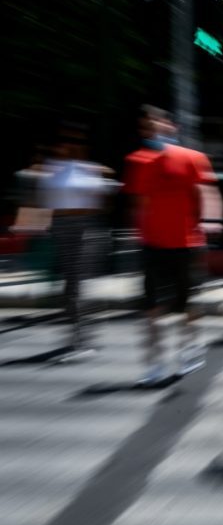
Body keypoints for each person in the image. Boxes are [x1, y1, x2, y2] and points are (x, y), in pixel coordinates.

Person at [122, 107, 222, 384]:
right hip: (153, 245)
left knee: (186, 303)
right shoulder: (140, 162)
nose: (153, 130)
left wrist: (211, 220)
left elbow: (208, 192)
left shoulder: (193, 157)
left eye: (157, 124)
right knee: (151, 307)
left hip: (187, 244)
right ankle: (154, 363)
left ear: (171, 126)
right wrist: (138, 233)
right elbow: (138, 203)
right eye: (147, 127)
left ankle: (190, 347)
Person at [38, 124, 115, 354]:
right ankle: (78, 330)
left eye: (77, 141)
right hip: (62, 226)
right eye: (67, 141)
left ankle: (80, 333)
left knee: (80, 280)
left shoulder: (92, 169)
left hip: (88, 226)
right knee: (71, 282)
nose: (72, 146)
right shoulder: (51, 169)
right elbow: (44, 202)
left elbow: (105, 199)